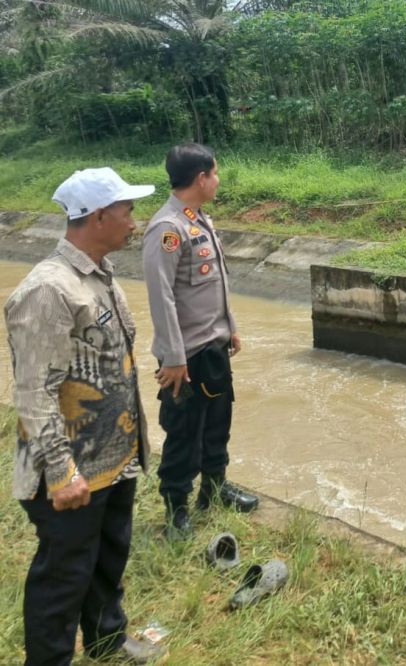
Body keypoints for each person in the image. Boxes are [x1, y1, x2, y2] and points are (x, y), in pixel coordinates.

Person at [4, 168, 164, 664]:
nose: (134, 222)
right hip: (70, 469)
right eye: (127, 211)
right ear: (98, 217)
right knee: (64, 574)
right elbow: (34, 391)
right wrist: (61, 469)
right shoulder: (48, 290)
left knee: (107, 557)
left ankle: (107, 640)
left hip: (112, 457)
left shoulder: (98, 275)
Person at [143, 143, 258, 540]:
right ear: (200, 178)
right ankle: (177, 508)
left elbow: (214, 284)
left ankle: (214, 489)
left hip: (213, 347)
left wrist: (231, 327)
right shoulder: (168, 229)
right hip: (185, 356)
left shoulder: (198, 219)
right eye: (216, 173)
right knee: (184, 434)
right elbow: (162, 297)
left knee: (216, 424)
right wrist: (173, 357)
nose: (218, 179)